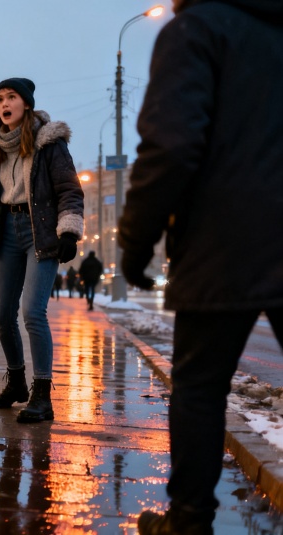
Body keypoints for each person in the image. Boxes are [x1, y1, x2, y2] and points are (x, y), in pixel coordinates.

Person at [116, 1, 283, 532]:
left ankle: (189, 520)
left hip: (224, 238)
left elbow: (170, 144)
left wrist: (137, 241)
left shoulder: (196, 30)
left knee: (201, 387)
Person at [0, 77, 84, 424]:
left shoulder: (50, 144)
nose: (4, 103)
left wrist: (69, 232)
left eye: (11, 97)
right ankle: (16, 382)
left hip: (40, 235)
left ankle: (42, 395)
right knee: (3, 316)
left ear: (26, 104)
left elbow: (69, 190)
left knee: (32, 312)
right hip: (8, 236)